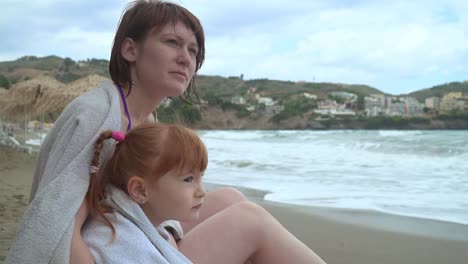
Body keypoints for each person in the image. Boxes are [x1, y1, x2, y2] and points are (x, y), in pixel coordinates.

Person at [6, 1, 326, 263]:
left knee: (230, 198)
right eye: (172, 42)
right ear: (130, 50)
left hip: (125, 230)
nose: (186, 58)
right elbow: (58, 225)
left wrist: (169, 229)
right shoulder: (95, 115)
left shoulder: (143, 118)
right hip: (105, 251)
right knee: (251, 221)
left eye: (193, 50)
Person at [81, 122, 326, 263]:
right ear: (139, 190)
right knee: (251, 217)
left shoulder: (133, 215)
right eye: (189, 179)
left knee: (232, 197)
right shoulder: (114, 241)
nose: (202, 191)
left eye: (201, 177)